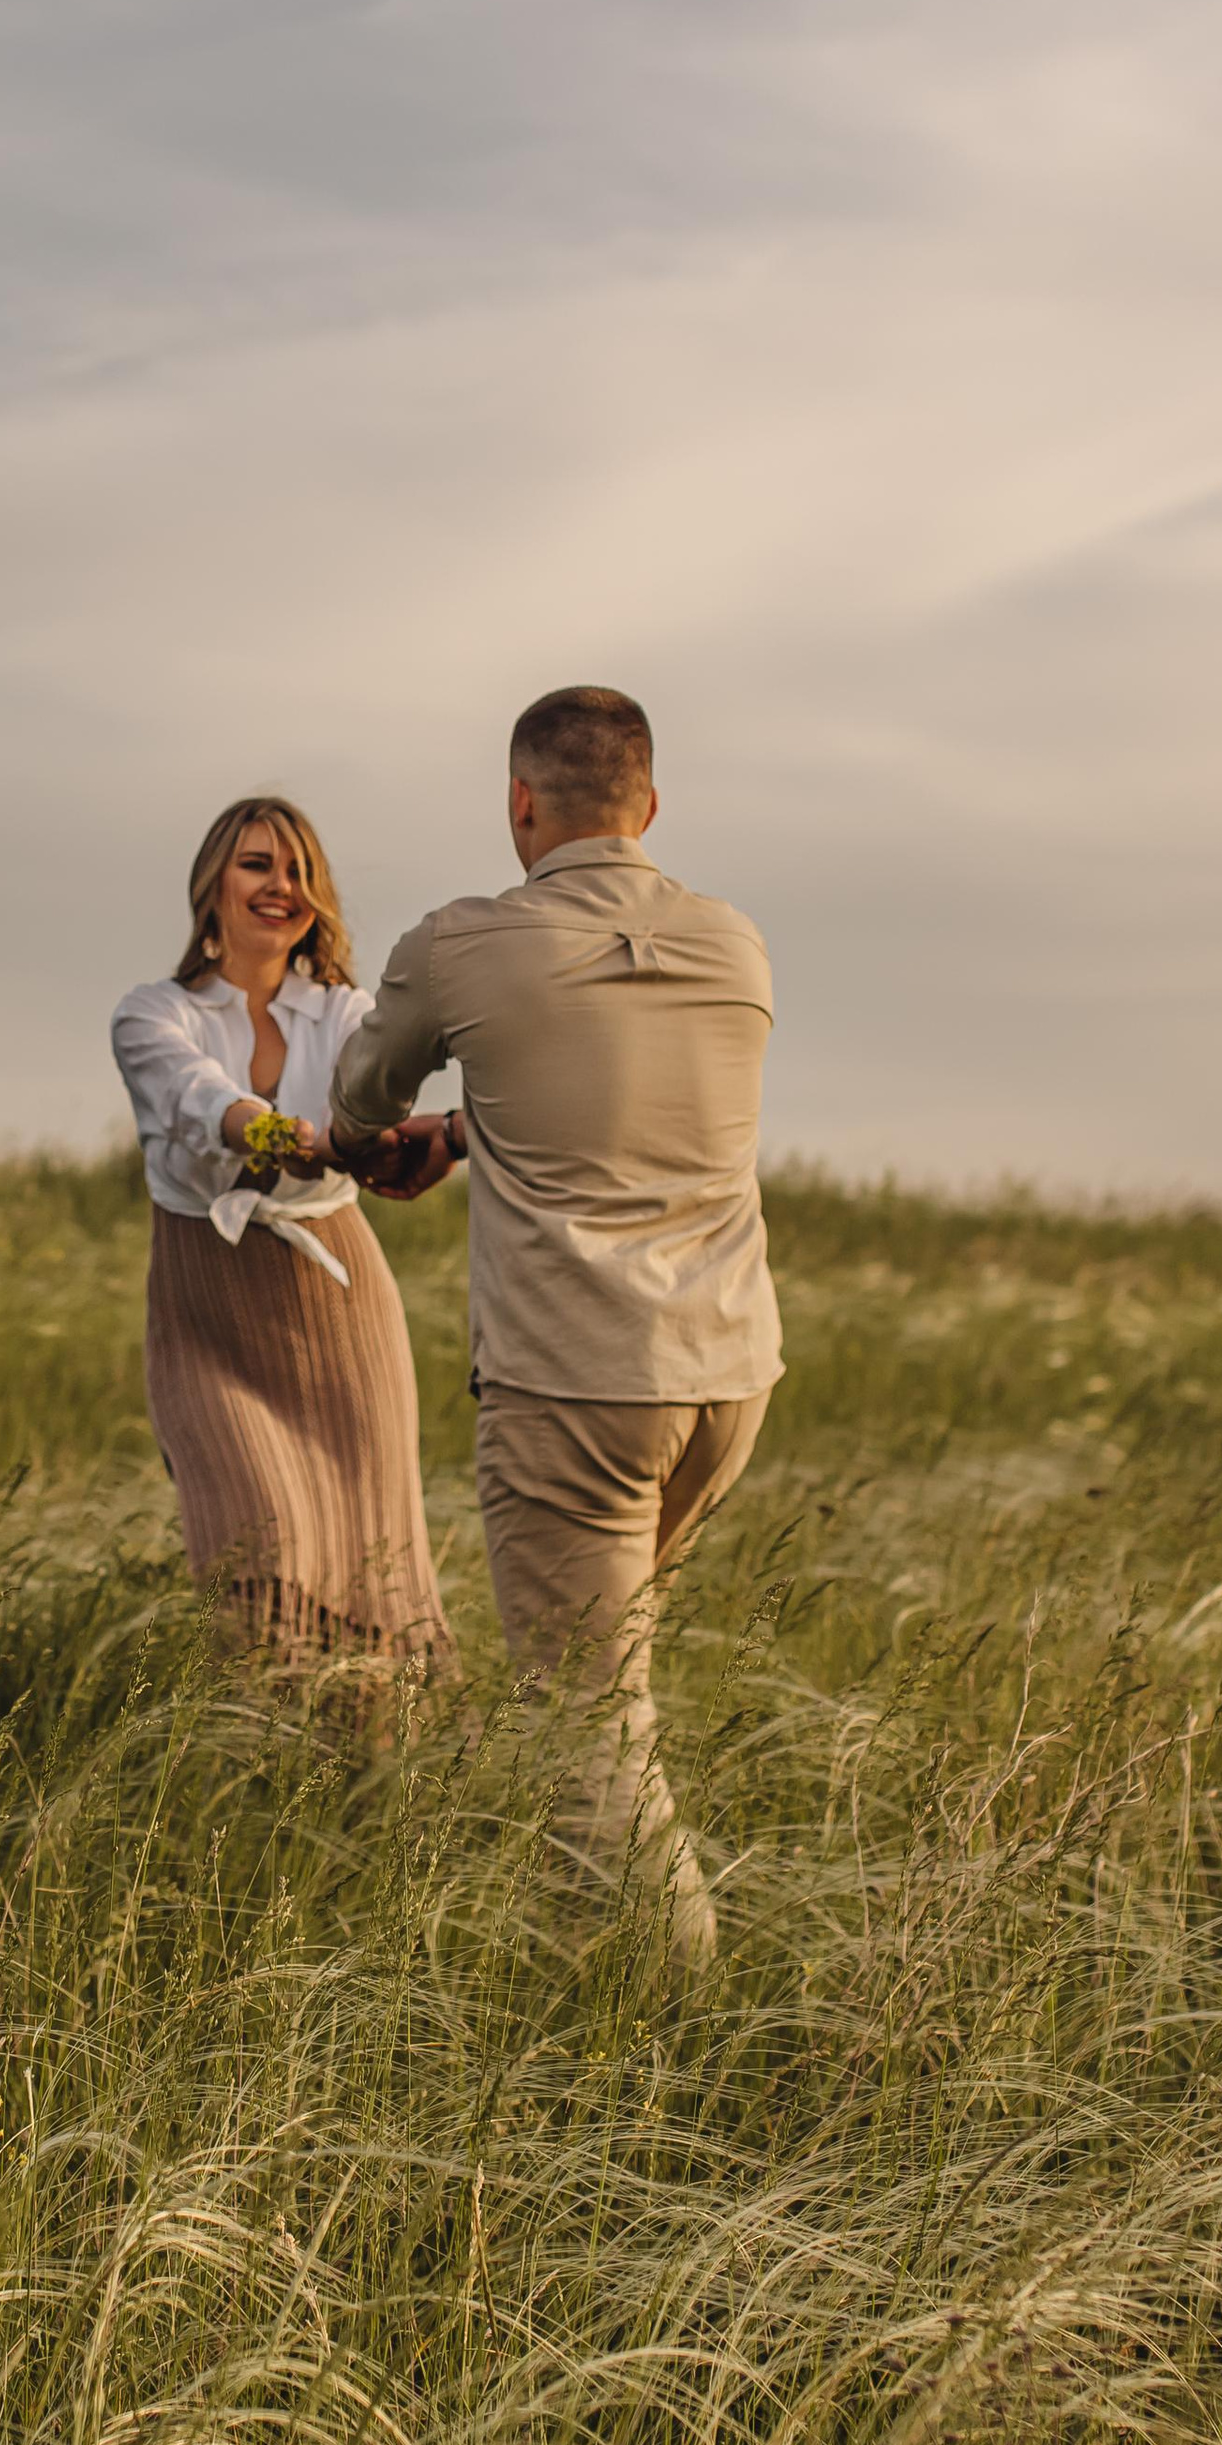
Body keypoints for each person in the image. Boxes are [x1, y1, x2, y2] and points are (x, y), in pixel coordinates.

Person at [328, 688, 780, 1953]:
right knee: (610, 1701)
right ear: (650, 805)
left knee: (584, 1726)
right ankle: (577, 1956)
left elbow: (359, 1105)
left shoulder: (463, 943)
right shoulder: (732, 944)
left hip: (575, 1385)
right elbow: (610, 1105)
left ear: (519, 804)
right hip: (726, 1382)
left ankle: (672, 2006)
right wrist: (473, 1130)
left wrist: (405, 1138)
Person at [111, 799, 451, 1669]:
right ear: (213, 882)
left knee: (368, 1551)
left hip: (337, 1298)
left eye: (298, 871)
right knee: (254, 1537)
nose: (280, 887)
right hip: (207, 1305)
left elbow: (375, 1104)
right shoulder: (154, 1014)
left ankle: (372, 1738)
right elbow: (198, 1099)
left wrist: (401, 1141)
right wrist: (290, 1137)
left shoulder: (345, 1013)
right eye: (257, 864)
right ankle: (257, 1730)